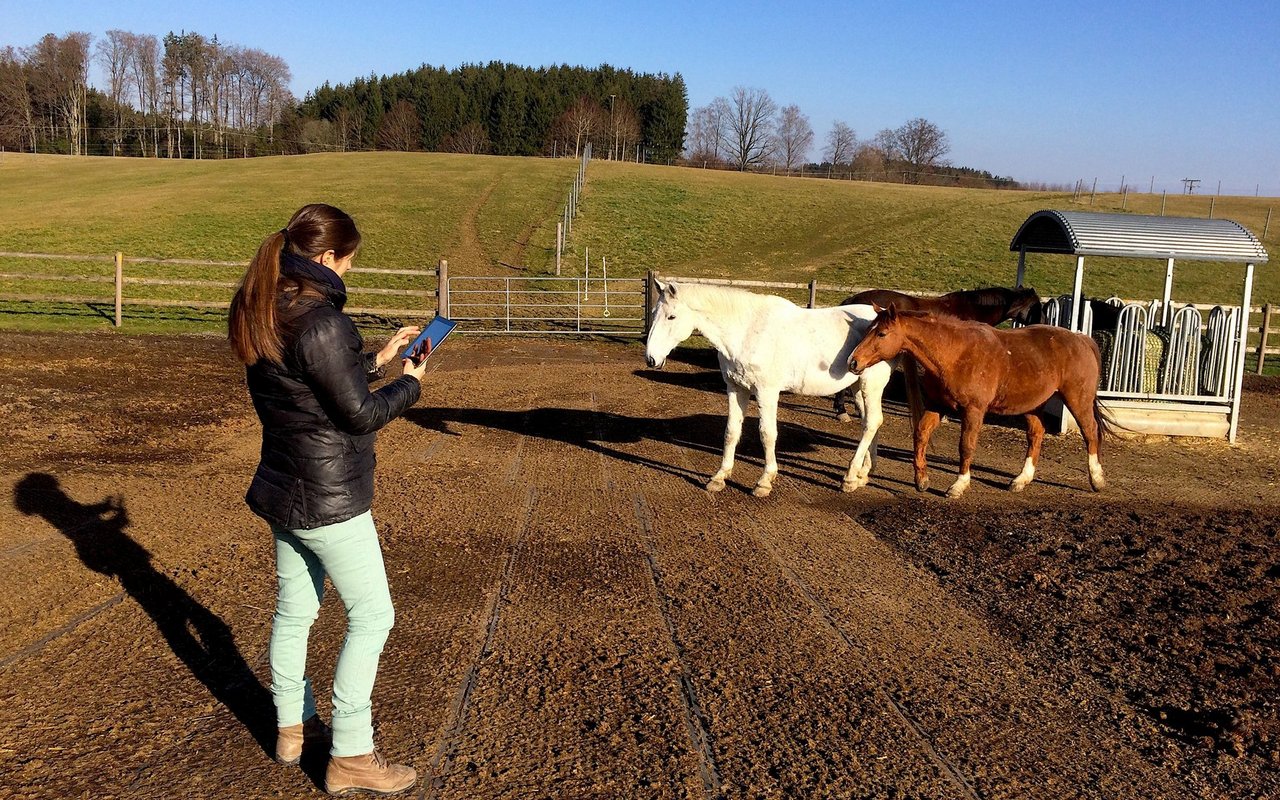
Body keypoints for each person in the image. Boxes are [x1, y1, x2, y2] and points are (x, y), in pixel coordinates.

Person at [228, 203, 428, 796]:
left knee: (295, 611)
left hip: (282, 487)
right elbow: (359, 414)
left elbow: (313, 378)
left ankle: (292, 727)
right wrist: (411, 383)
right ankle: (352, 753)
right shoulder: (322, 321)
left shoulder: (266, 305)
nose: (350, 270)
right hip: (329, 498)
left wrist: (378, 359)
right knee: (373, 616)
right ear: (328, 256)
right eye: (349, 259)